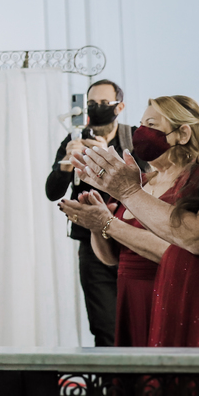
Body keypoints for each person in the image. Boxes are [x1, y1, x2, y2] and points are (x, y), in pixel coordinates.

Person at [73, 57, 199, 347]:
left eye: (151, 125)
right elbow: (112, 258)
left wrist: (112, 216)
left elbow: (190, 241)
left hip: (171, 292)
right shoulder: (141, 180)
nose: (140, 132)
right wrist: (97, 224)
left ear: (183, 133)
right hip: (128, 291)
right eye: (141, 124)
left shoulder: (198, 180)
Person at [45, 79, 139, 346]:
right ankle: (110, 374)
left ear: (119, 107)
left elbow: (150, 181)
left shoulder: (133, 138)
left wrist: (105, 156)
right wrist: (66, 164)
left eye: (104, 103)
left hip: (135, 243)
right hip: (92, 243)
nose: (97, 108)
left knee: (138, 324)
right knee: (105, 326)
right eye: (91, 103)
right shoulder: (74, 139)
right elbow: (52, 191)